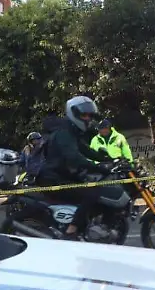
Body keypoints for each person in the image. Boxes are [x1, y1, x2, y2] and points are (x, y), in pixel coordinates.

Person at [37, 96, 123, 239]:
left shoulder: (71, 131)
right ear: (74, 113)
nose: (88, 119)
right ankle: (71, 230)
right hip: (54, 179)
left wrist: (108, 158)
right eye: (84, 115)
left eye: (90, 115)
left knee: (94, 188)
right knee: (93, 192)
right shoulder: (64, 133)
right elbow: (75, 158)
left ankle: (90, 224)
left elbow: (85, 150)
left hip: (62, 176)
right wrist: (100, 168)